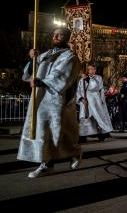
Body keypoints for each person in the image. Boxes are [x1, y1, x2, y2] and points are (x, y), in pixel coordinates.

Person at [17, 27, 81, 178]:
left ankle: (71, 154)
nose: (56, 36)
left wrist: (40, 81)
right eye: (54, 34)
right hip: (39, 99)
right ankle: (48, 164)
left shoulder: (70, 56)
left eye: (60, 35)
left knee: (56, 131)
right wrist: (32, 59)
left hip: (56, 100)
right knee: (43, 131)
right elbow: (28, 75)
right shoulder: (45, 55)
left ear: (66, 38)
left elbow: (62, 75)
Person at [77, 63, 113, 142]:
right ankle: (83, 136)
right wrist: (81, 99)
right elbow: (79, 90)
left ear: (95, 70)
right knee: (85, 118)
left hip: (95, 101)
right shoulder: (81, 80)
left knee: (97, 117)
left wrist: (87, 79)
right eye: (90, 69)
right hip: (85, 102)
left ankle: (100, 134)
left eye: (93, 69)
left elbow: (94, 87)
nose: (91, 71)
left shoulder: (98, 78)